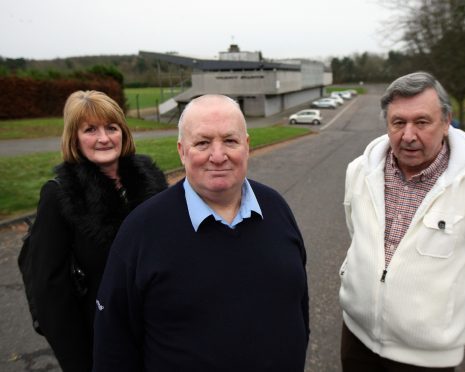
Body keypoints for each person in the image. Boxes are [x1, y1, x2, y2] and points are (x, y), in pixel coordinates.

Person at [93, 94, 310, 371]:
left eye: (230, 141)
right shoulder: (141, 230)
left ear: (246, 146)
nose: (218, 156)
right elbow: (113, 344)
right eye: (203, 143)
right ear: (182, 151)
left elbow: (298, 303)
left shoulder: (276, 207)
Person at [339, 72, 465, 371]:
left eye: (422, 122)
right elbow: (357, 232)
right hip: (356, 338)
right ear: (387, 124)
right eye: (398, 123)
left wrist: (440, 299)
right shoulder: (359, 171)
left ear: (446, 122)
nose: (408, 135)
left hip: (426, 359)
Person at [29, 90, 168, 371]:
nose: (104, 138)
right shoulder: (60, 196)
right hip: (102, 341)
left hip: (160, 334)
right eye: (90, 129)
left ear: (123, 133)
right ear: (75, 138)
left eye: (111, 127)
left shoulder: (150, 177)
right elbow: (50, 293)